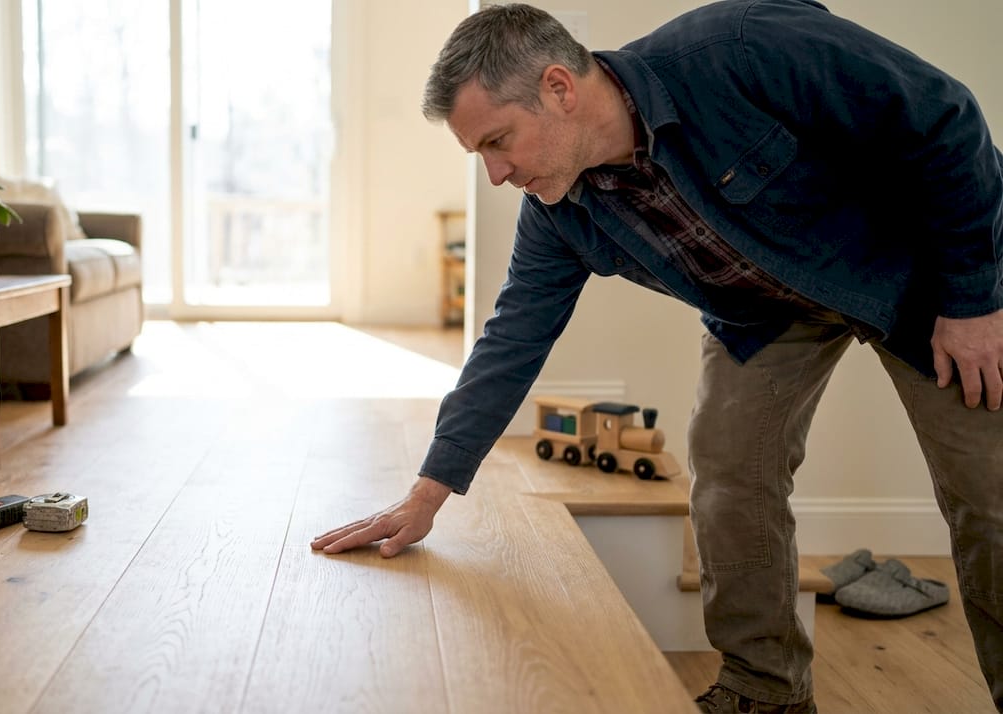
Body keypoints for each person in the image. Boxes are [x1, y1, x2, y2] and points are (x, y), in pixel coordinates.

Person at [310, 0, 1003, 711]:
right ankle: (765, 693)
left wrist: (975, 300)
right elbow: (512, 339)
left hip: (925, 276)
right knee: (729, 474)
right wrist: (429, 492)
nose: (494, 174)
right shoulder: (560, 210)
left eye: (498, 141)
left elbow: (944, 117)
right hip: (764, 311)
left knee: (988, 493)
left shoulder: (737, 47)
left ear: (558, 88)